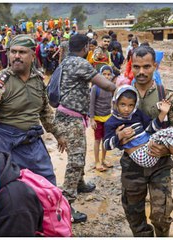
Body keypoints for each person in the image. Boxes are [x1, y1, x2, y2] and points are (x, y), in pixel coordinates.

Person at [116, 46, 173, 237]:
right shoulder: (122, 97)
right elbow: (113, 131)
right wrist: (119, 137)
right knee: (134, 216)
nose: (141, 72)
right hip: (132, 165)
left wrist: (165, 149)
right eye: (137, 66)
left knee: (161, 215)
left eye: (147, 66)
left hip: (160, 165)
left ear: (155, 66)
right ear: (131, 66)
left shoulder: (168, 96)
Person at [0, 34, 58, 186]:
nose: (16, 56)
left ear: (33, 55)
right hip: (5, 143)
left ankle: (56, 209)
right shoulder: (0, 82)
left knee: (47, 182)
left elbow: (45, 112)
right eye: (13, 52)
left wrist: (59, 134)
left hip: (32, 142)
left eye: (22, 52)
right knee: (8, 188)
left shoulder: (37, 80)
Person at [52, 34, 116, 223]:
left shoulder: (65, 62)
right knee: (76, 160)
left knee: (80, 152)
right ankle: (67, 205)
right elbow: (105, 84)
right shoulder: (80, 63)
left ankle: (80, 184)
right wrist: (120, 86)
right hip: (71, 119)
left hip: (68, 117)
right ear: (87, 47)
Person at [103, 85, 173, 179]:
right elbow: (106, 145)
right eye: (122, 104)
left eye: (131, 105)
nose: (126, 109)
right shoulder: (111, 122)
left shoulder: (136, 114)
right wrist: (120, 135)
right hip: (141, 156)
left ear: (135, 105)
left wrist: (163, 113)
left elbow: (150, 128)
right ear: (115, 103)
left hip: (150, 149)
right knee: (169, 134)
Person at [89, 65, 115, 172]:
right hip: (98, 119)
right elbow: (91, 104)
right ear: (100, 75)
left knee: (105, 140)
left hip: (108, 118)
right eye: (104, 74)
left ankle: (103, 159)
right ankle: (97, 161)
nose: (106, 76)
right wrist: (92, 119)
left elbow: (113, 102)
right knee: (97, 140)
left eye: (109, 74)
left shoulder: (111, 87)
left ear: (112, 76)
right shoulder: (95, 88)